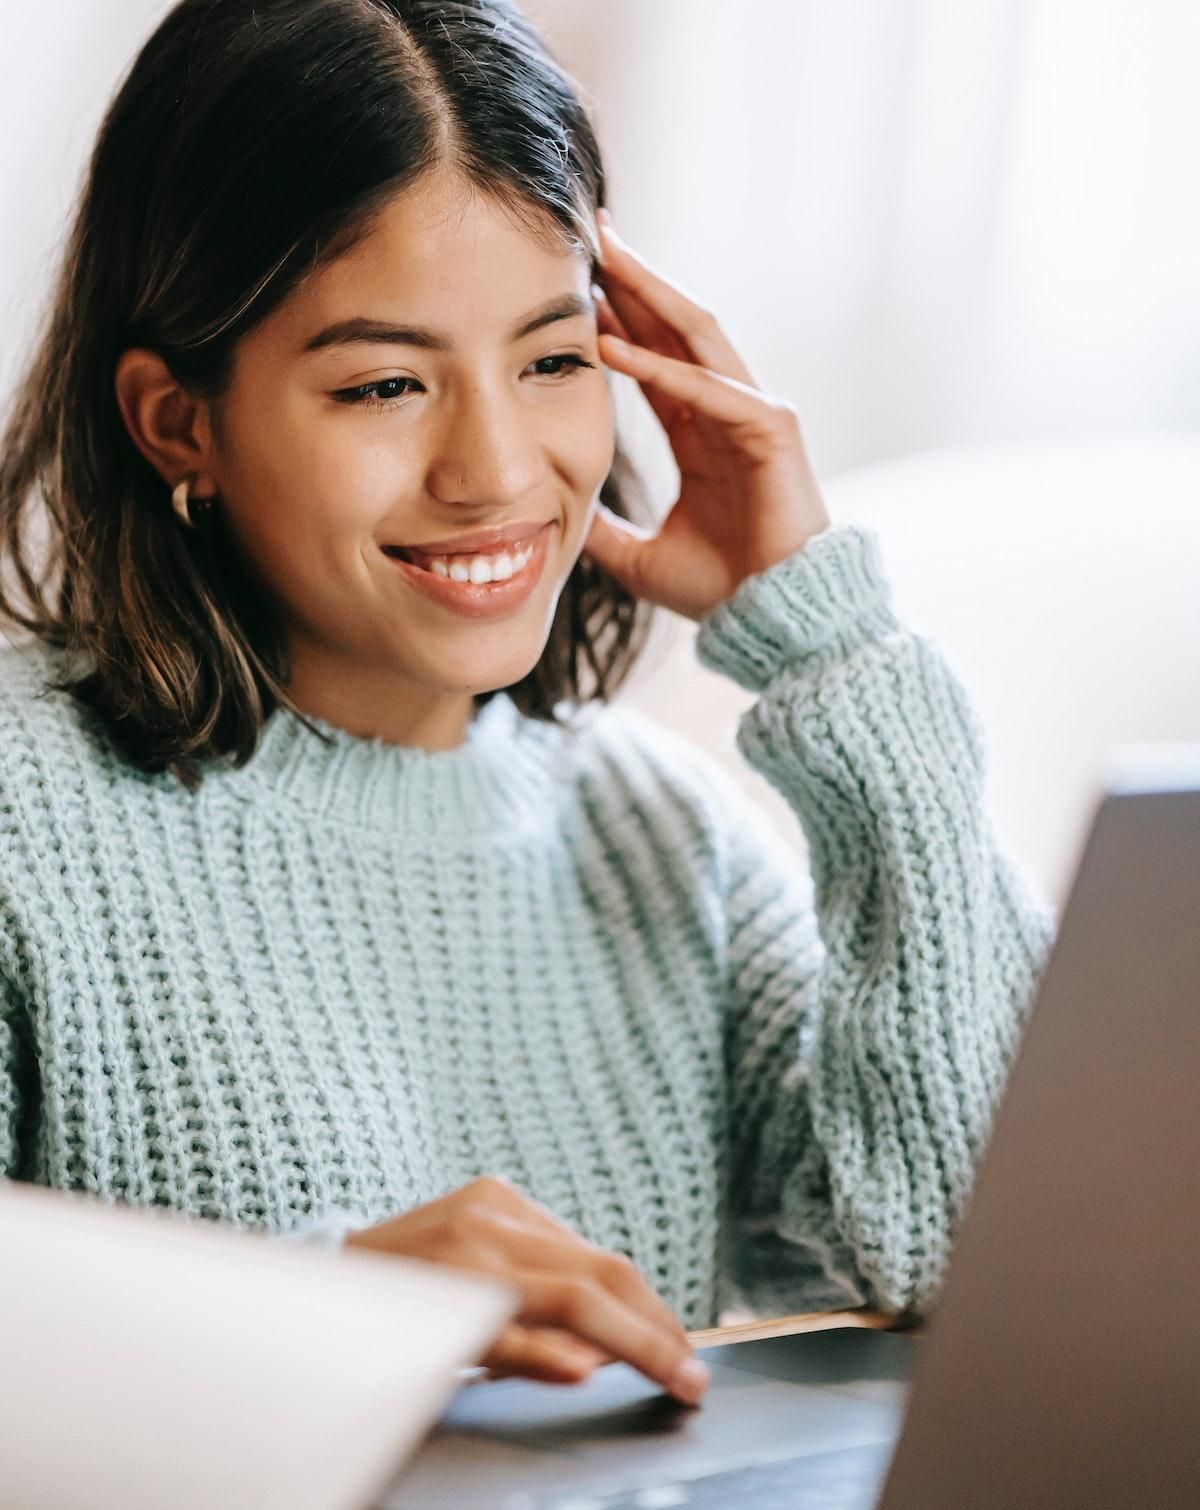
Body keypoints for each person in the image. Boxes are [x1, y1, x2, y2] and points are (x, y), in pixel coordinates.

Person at [0, 0, 1053, 1409]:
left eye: (555, 359)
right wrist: (316, 1321)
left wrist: (829, 644)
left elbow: (978, 1274)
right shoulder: (25, 812)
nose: (495, 468)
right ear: (177, 420)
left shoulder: (666, 840)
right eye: (384, 382)